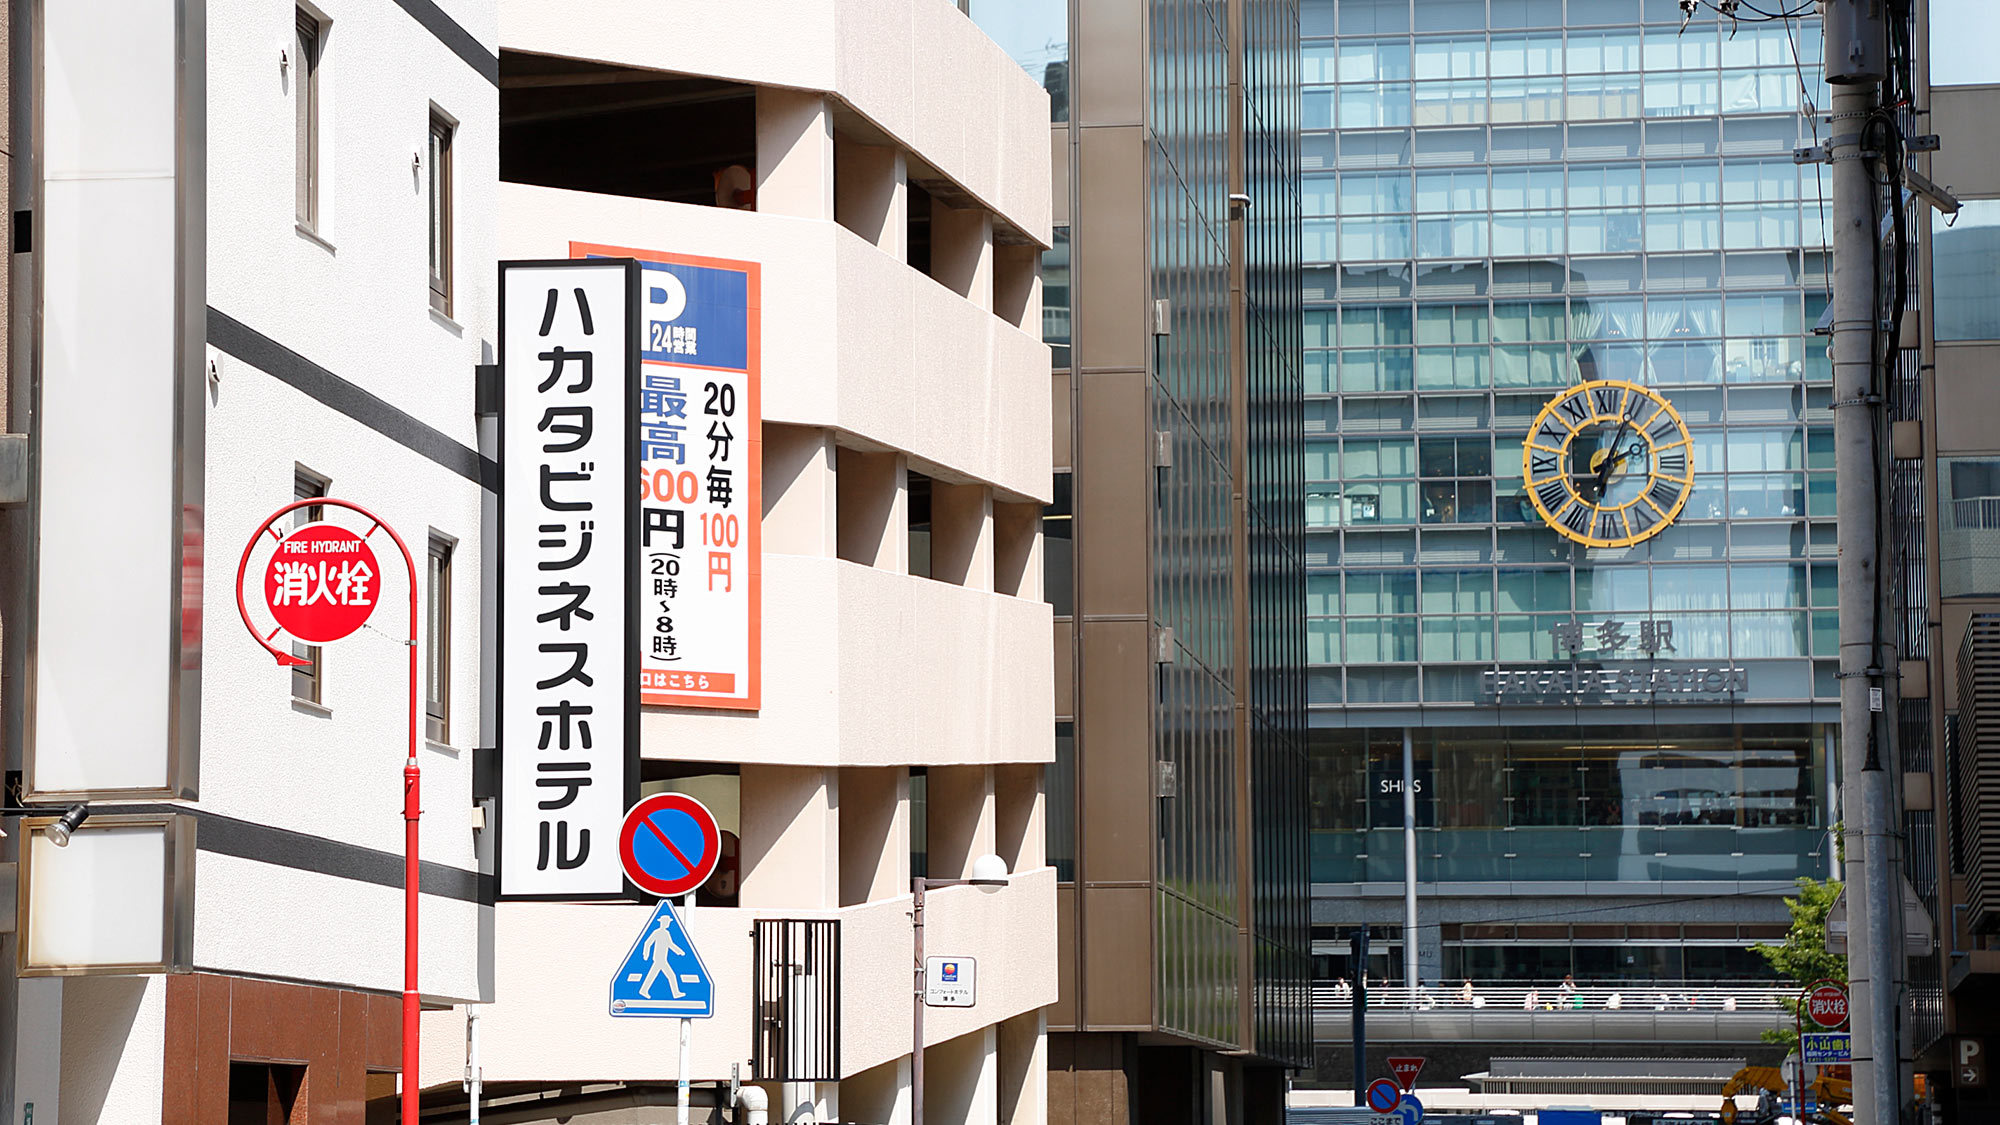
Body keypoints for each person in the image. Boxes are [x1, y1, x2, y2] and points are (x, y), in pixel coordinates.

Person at [639, 913, 688, 1000]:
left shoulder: (666, 933)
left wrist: (679, 951)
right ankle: (675, 993)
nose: (668, 923)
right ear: (663, 922)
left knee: (653, 975)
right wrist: (646, 954)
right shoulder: (657, 932)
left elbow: (670, 944)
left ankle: (644, 990)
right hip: (659, 959)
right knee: (671, 975)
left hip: (662, 959)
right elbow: (647, 942)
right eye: (667, 922)